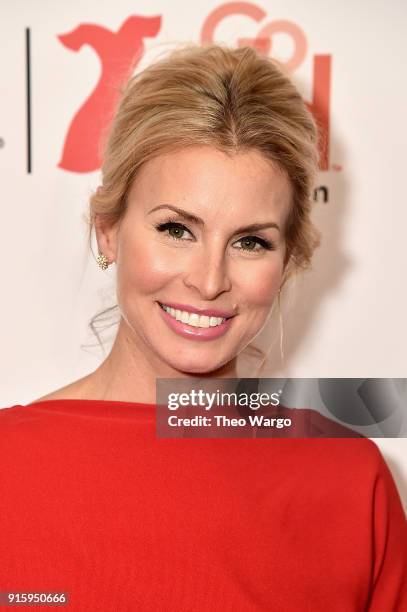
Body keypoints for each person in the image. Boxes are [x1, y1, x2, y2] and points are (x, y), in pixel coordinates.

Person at [1, 43, 406, 610]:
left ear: (288, 261)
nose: (210, 280)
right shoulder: (8, 466)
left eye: (250, 242)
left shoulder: (348, 479)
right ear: (108, 230)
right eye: (176, 230)